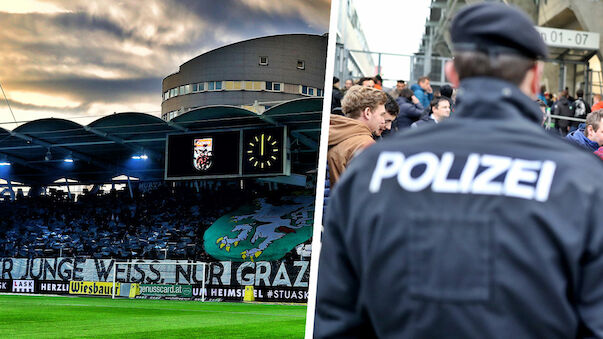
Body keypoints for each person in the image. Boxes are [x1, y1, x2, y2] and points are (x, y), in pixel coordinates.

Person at [315, 3, 603, 338]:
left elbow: (335, 317)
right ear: (536, 76)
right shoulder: (581, 177)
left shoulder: (375, 170)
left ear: (453, 74)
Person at [327, 85, 386, 187]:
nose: (383, 121)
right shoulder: (365, 145)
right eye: (381, 114)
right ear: (367, 113)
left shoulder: (333, 131)